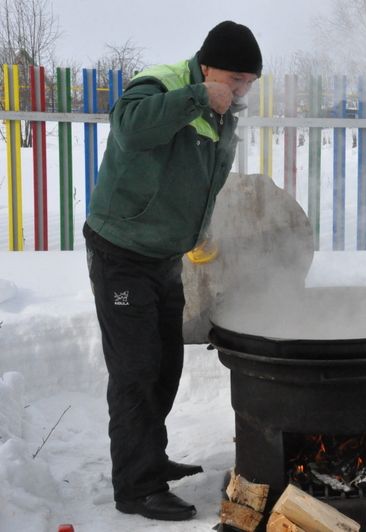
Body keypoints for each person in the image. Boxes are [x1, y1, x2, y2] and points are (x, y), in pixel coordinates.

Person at [83, 21, 261, 521]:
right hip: (121, 249)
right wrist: (197, 96)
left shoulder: (224, 111)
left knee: (164, 365)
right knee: (136, 368)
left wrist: (197, 230)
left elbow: (204, 176)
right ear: (206, 67)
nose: (240, 89)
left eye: (249, 81)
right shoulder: (162, 85)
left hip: (163, 254)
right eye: (233, 77)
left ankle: (150, 460)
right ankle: (136, 487)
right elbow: (130, 128)